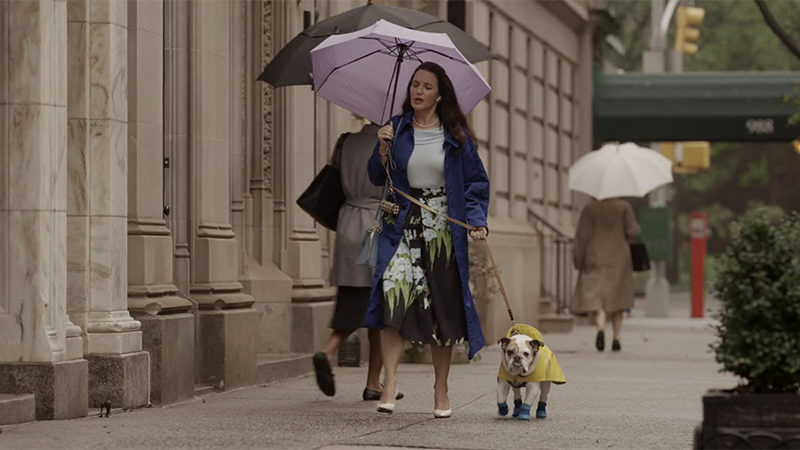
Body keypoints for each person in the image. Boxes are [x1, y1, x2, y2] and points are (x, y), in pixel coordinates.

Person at [363, 61, 490, 418]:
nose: (417, 91)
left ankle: (441, 388)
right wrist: (383, 150)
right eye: (414, 85)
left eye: (426, 87)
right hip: (402, 224)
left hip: (443, 229)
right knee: (392, 294)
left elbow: (475, 184)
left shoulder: (456, 136)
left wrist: (476, 222)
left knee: (443, 309)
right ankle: (389, 382)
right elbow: (376, 176)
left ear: (440, 94)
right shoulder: (398, 128)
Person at [313, 120, 405, 402]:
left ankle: (372, 383)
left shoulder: (345, 141)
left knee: (355, 295)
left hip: (347, 222)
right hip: (376, 226)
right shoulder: (390, 144)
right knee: (378, 306)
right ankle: (329, 352)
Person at [571, 197, 640, 352]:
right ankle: (616, 337)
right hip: (618, 257)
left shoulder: (589, 209)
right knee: (618, 298)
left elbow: (581, 237)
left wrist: (578, 260)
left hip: (594, 255)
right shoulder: (624, 207)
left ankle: (601, 327)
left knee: (598, 297)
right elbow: (633, 231)